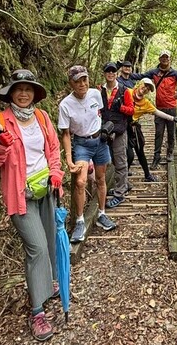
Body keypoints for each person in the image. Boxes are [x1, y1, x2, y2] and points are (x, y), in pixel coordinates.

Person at [0, 69, 64, 341]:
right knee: (37, 248)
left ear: (34, 94)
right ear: (11, 92)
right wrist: (1, 146)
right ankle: (37, 311)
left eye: (28, 89)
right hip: (20, 196)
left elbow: (53, 149)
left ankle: (50, 284)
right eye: (18, 89)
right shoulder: (0, 122)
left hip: (47, 190)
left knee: (51, 242)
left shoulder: (41, 117)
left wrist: (56, 172)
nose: (23, 93)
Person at [57, 65, 116, 242]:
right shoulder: (65, 105)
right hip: (81, 143)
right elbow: (66, 133)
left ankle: (102, 214)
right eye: (77, 81)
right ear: (71, 83)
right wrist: (68, 158)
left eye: (84, 79)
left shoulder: (96, 94)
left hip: (100, 141)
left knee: (101, 178)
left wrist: (105, 130)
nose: (82, 84)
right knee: (81, 181)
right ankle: (80, 220)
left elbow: (101, 113)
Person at [132, 50, 177, 168]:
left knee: (171, 132)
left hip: (171, 107)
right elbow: (141, 76)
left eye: (166, 57)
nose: (164, 59)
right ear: (159, 59)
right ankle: (156, 156)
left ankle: (169, 152)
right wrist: (126, 73)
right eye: (162, 57)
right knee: (158, 133)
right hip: (159, 108)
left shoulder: (175, 73)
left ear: (170, 59)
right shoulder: (155, 72)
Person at [129, 78, 177, 181]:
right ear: (139, 84)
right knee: (129, 155)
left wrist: (173, 118)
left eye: (148, 89)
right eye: (145, 85)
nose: (145, 89)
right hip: (122, 128)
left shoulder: (146, 103)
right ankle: (122, 180)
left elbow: (158, 112)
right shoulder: (127, 92)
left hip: (134, 128)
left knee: (140, 151)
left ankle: (147, 175)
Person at [99, 62, 135, 209]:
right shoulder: (99, 90)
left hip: (119, 130)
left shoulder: (124, 90)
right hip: (104, 129)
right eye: (108, 71)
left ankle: (120, 193)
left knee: (120, 161)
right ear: (104, 73)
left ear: (116, 73)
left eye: (113, 71)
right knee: (111, 160)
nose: (111, 73)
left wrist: (121, 107)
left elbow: (132, 110)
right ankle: (122, 184)